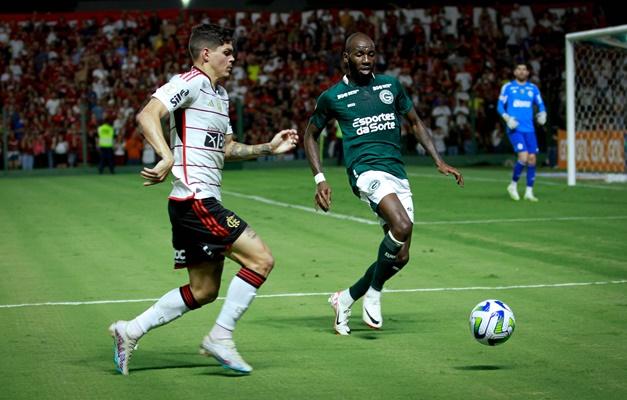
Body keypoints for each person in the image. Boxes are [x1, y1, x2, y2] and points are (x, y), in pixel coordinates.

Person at [108, 23, 298, 375]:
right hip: (197, 200)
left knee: (204, 290)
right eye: (227, 52)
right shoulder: (189, 82)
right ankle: (221, 337)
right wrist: (165, 155)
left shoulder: (220, 95)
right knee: (261, 260)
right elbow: (147, 114)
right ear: (206, 54)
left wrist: (268, 148)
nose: (234, 58)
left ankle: (129, 330)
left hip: (191, 204)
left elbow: (226, 148)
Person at [303, 32, 463, 336]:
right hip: (365, 172)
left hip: (396, 173)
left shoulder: (391, 86)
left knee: (400, 257)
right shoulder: (332, 96)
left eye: (371, 54)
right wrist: (320, 178)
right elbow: (310, 133)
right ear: (346, 57)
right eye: (360, 54)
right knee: (401, 225)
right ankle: (374, 294)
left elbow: (415, 122)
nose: (366, 60)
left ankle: (345, 298)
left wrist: (438, 160)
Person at [497, 62, 547, 201]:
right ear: (514, 72)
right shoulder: (508, 87)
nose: (521, 71)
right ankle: (513, 185)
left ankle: (529, 192)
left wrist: (543, 114)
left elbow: (540, 104)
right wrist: (507, 118)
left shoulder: (533, 88)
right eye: (518, 69)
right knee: (524, 157)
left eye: (524, 69)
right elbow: (500, 105)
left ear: (527, 73)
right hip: (515, 128)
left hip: (529, 129)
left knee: (532, 159)